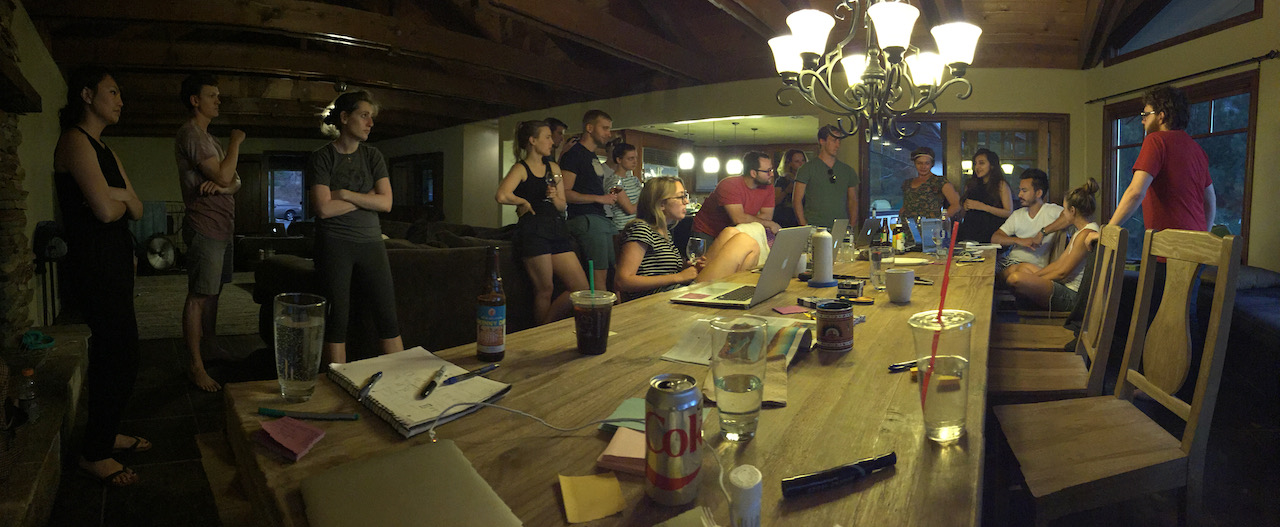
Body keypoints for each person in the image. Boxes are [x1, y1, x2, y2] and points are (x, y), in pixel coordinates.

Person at [54, 66, 149, 486]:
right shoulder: (75, 141)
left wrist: (119, 196)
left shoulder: (104, 150)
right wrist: (120, 196)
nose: (121, 100)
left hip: (114, 258)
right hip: (93, 262)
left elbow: (139, 208)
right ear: (87, 94)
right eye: (114, 92)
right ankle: (93, 453)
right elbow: (108, 210)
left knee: (121, 352)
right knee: (120, 353)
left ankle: (106, 434)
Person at [308, 91, 403, 364]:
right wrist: (367, 199)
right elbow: (323, 209)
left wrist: (345, 194)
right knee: (337, 319)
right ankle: (337, 386)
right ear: (345, 117)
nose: (370, 123)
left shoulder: (373, 156)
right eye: (364, 115)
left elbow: (386, 203)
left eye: (371, 117)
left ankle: (402, 384)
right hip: (334, 244)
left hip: (372, 243)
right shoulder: (322, 157)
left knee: (388, 316)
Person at [175, 73, 243, 392]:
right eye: (212, 95)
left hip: (222, 227)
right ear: (195, 100)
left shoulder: (209, 139)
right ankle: (195, 365)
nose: (218, 100)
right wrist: (236, 141)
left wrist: (224, 182)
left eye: (218, 95)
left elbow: (235, 180)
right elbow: (226, 175)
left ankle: (211, 345)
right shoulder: (192, 134)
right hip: (204, 226)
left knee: (214, 291)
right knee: (199, 295)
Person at [495, 120, 590, 324]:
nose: (552, 142)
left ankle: (545, 327)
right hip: (533, 230)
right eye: (547, 137)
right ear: (532, 140)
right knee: (544, 289)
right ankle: (541, 337)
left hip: (556, 228)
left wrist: (555, 196)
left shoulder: (553, 167)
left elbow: (563, 206)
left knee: (581, 287)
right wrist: (523, 201)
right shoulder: (520, 168)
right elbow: (502, 195)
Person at [616, 176, 761, 298]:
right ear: (661, 204)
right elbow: (623, 281)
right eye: (680, 197)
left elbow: (660, 269)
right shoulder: (640, 228)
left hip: (678, 290)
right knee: (745, 242)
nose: (686, 201)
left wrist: (687, 267)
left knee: (731, 232)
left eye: (685, 196)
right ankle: (734, 298)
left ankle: (734, 298)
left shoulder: (664, 231)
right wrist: (678, 277)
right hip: (665, 298)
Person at [1003, 179, 1101, 312]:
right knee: (1022, 268)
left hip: (1071, 296)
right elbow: (1058, 264)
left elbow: (1062, 273)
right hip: (1064, 286)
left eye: (1065, 209)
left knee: (1015, 279)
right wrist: (1034, 279)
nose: (1063, 213)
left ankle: (1026, 311)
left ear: (1072, 211)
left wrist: (1034, 280)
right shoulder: (1081, 232)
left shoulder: (1086, 234)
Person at [559, 109, 619, 290]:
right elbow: (565, 193)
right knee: (599, 276)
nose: (609, 134)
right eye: (605, 128)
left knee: (613, 273)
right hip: (586, 220)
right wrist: (600, 198)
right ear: (590, 128)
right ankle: (599, 316)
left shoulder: (592, 156)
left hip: (601, 220)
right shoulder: (574, 154)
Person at [691, 151, 780, 244]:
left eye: (772, 170)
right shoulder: (730, 185)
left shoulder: (768, 187)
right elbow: (738, 219)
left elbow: (766, 217)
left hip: (735, 232)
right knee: (707, 258)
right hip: (708, 231)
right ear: (753, 173)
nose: (772, 174)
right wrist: (769, 224)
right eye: (768, 171)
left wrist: (748, 219)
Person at [992, 168, 1064, 277]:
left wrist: (1042, 232)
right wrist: (1019, 240)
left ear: (1038, 193)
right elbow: (995, 238)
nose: (1019, 194)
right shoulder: (1018, 214)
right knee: (981, 268)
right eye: (1020, 190)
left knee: (1017, 271)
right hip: (1009, 263)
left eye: (1024, 191)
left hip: (1033, 268)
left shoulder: (1051, 211)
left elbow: (1071, 216)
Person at [794, 125, 858, 230]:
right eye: (833, 141)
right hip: (814, 227)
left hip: (841, 228)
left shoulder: (848, 170)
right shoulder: (806, 169)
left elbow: (853, 200)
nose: (837, 145)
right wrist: (804, 226)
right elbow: (797, 200)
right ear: (822, 141)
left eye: (839, 141)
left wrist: (851, 225)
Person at [955, 148, 1013, 243]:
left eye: (981, 163)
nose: (977, 167)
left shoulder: (1001, 185)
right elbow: (962, 215)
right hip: (969, 233)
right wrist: (964, 208)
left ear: (992, 165)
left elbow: (1008, 212)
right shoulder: (970, 185)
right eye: (975, 163)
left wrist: (983, 207)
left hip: (990, 233)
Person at [604, 142, 642, 230]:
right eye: (630, 158)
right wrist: (646, 199)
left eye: (635, 158)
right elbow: (630, 209)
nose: (635, 161)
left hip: (637, 226)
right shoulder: (614, 183)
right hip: (623, 228)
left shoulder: (634, 179)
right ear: (619, 160)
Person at [773, 149, 804, 228]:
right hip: (785, 218)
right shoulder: (782, 180)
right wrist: (786, 191)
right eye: (797, 161)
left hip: (802, 216)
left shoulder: (807, 180)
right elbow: (774, 201)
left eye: (803, 160)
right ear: (789, 163)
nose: (801, 164)